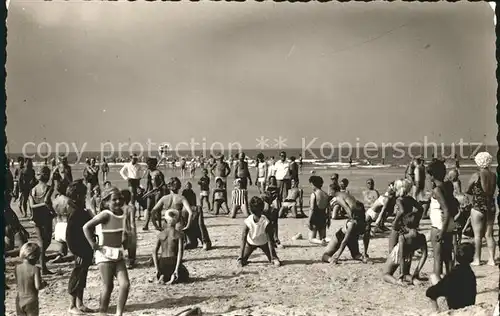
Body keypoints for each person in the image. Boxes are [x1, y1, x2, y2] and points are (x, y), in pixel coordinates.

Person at [82, 187, 130, 316]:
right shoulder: (105, 214)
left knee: (125, 284)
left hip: (118, 253)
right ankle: (102, 312)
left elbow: (121, 233)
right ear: (106, 202)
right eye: (114, 199)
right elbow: (86, 227)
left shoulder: (122, 213)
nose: (118, 201)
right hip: (105, 255)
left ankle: (119, 313)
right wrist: (93, 244)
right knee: (108, 286)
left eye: (120, 199)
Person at [65, 180, 94, 314]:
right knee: (77, 275)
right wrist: (76, 251)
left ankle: (80, 303)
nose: (85, 197)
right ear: (78, 196)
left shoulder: (79, 210)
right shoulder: (75, 212)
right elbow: (69, 236)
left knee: (82, 276)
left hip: (85, 248)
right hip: (80, 250)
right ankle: (72, 305)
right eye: (84, 195)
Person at [427, 159, 458, 284]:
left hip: (439, 225)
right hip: (448, 224)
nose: (427, 177)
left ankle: (438, 283)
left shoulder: (437, 191)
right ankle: (450, 280)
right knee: (447, 256)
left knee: (437, 257)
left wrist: (442, 230)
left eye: (428, 174)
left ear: (432, 175)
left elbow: (445, 210)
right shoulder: (448, 186)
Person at [465, 152, 496, 266]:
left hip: (478, 205)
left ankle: (477, 259)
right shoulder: (493, 175)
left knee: (477, 235)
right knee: (489, 234)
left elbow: (467, 189)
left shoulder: (476, 175)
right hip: (491, 205)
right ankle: (492, 259)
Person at [426, 243, 476, 312]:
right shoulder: (471, 274)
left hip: (456, 311)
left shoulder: (454, 274)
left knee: (433, 277)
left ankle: (437, 312)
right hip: (469, 310)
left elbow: (430, 292)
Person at [237, 196, 281, 267]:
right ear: (262, 209)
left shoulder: (248, 221)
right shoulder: (266, 221)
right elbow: (270, 240)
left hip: (251, 242)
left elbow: (243, 239)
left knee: (243, 260)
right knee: (273, 260)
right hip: (262, 242)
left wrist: (240, 257)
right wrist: (273, 257)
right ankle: (274, 258)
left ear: (250, 209)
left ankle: (240, 260)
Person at [29, 166, 55, 275]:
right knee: (46, 241)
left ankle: (41, 264)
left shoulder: (33, 190)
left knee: (41, 242)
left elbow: (31, 205)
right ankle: (43, 267)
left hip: (36, 217)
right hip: (45, 217)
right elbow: (47, 201)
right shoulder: (49, 188)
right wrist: (52, 211)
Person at [152, 210, 190, 284]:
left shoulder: (160, 234)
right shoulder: (179, 234)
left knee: (165, 271)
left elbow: (154, 252)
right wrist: (176, 269)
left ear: (165, 220)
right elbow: (180, 252)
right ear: (176, 221)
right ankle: (172, 276)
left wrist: (157, 269)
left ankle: (163, 276)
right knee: (185, 275)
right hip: (173, 261)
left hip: (162, 263)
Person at [15, 243, 47, 316]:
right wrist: (44, 284)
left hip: (19, 299)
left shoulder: (17, 268)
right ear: (34, 257)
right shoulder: (35, 269)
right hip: (31, 300)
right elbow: (38, 286)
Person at [182, 182, 212, 250]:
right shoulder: (195, 207)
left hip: (191, 235)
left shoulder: (184, 210)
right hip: (197, 231)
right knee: (198, 225)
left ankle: (203, 242)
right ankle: (203, 241)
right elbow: (201, 224)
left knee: (192, 225)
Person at [143, 157, 166, 231]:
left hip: (158, 192)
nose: (147, 166)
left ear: (153, 165)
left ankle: (159, 225)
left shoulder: (159, 172)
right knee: (149, 208)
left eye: (149, 165)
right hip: (151, 192)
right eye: (147, 165)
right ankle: (146, 225)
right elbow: (148, 183)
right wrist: (146, 191)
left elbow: (163, 183)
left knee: (157, 209)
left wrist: (158, 187)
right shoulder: (149, 172)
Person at [308, 176, 330, 245]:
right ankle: (326, 241)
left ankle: (321, 242)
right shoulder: (326, 194)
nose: (311, 186)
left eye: (311, 184)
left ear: (314, 184)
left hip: (315, 217)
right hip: (323, 217)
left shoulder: (314, 194)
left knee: (311, 239)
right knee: (323, 237)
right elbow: (328, 209)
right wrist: (329, 219)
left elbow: (312, 209)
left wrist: (309, 220)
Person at [121, 189, 137, 269]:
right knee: (131, 246)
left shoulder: (118, 208)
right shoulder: (131, 208)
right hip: (128, 230)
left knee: (120, 247)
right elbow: (132, 221)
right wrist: (133, 232)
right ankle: (131, 262)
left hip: (120, 230)